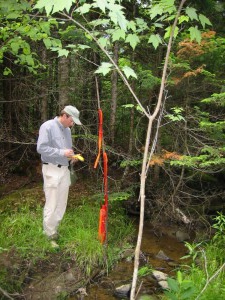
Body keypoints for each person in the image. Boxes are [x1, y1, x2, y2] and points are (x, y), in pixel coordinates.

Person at [37, 105, 82, 246]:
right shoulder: (48, 126)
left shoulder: (67, 130)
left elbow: (67, 150)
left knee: (62, 203)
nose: (72, 123)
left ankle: (53, 230)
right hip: (51, 169)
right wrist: (62, 153)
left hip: (64, 170)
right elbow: (41, 148)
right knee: (52, 203)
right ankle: (49, 235)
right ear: (65, 116)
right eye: (72, 120)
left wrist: (72, 156)